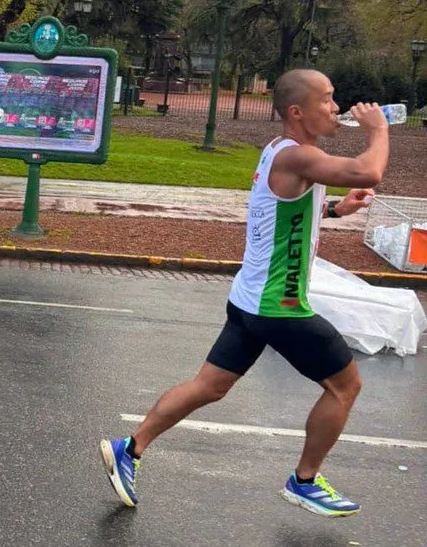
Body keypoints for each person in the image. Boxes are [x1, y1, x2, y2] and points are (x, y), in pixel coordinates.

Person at [100, 69, 387, 518]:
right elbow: (369, 169)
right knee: (345, 385)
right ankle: (304, 481)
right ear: (297, 112)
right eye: (328, 100)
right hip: (279, 305)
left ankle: (129, 448)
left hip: (249, 299)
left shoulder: (281, 152)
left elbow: (286, 211)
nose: (337, 107)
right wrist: (379, 128)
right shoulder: (297, 157)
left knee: (209, 386)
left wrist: (335, 208)